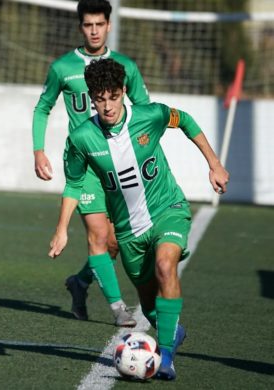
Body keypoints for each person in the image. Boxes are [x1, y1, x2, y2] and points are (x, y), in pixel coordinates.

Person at [49, 58, 229, 380]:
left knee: (165, 265)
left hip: (167, 210)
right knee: (148, 308)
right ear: (91, 97)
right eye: (100, 98)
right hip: (128, 232)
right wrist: (62, 229)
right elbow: (75, 183)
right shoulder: (82, 138)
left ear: (123, 93)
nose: (107, 106)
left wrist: (214, 164)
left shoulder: (150, 115)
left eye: (113, 96)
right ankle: (172, 331)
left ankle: (167, 357)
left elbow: (185, 120)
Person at [32, 0, 150, 326]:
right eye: (88, 25)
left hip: (120, 164)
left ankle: (80, 282)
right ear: (80, 27)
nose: (94, 30)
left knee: (113, 245)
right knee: (98, 238)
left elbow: (143, 109)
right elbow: (42, 108)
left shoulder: (125, 66)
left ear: (109, 25)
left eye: (99, 24)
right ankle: (118, 310)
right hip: (85, 165)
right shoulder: (62, 67)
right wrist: (38, 150)